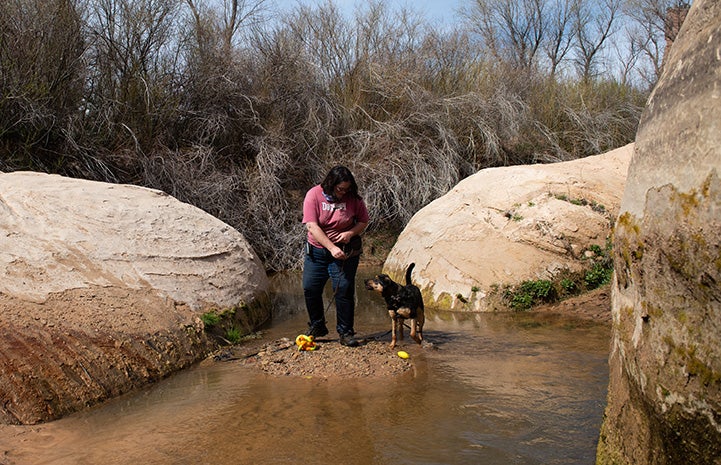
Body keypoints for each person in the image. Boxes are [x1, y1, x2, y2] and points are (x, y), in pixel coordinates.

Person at [302, 165, 369, 347]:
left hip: (345, 253)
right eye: (340, 189)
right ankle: (317, 326)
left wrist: (350, 233)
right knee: (310, 288)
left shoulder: (353, 199)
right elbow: (312, 226)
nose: (343, 193)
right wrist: (331, 247)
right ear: (331, 184)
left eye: (346, 189)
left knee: (344, 290)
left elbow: (363, 220)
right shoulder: (314, 195)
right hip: (317, 251)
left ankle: (346, 332)